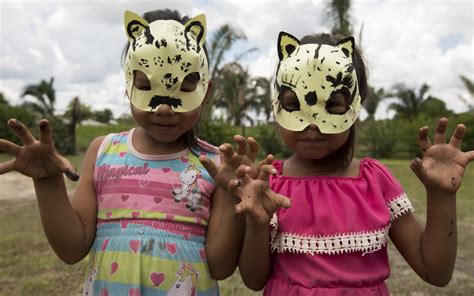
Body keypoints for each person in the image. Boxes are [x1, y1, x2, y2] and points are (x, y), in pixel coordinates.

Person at [0, 9, 256, 295]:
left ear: (206, 91)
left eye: (185, 86)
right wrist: (47, 181)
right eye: (147, 85)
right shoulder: (102, 151)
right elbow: (72, 249)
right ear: (129, 84)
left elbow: (220, 267)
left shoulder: (216, 166)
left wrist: (234, 192)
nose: (164, 107)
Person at [229, 32, 474, 295]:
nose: (312, 122)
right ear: (277, 105)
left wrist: (441, 195)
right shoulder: (268, 184)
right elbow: (254, 281)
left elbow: (434, 271)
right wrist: (257, 224)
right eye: (293, 103)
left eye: (332, 104)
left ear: (355, 105)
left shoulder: (375, 181)